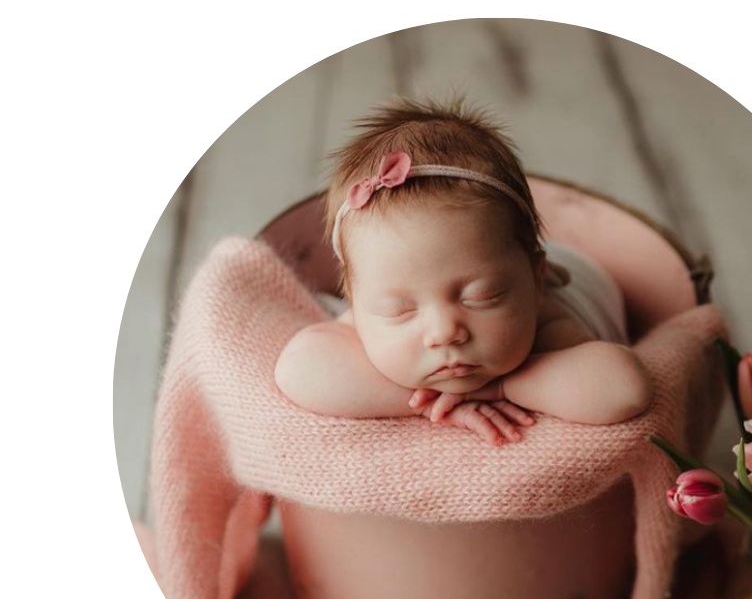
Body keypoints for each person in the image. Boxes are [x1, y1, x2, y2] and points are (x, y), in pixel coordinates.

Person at [274, 94, 652, 446]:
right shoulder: (371, 304)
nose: (444, 333)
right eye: (399, 310)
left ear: (535, 280)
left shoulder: (548, 325)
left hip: (576, 268)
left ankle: (550, 268)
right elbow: (298, 370)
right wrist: (429, 401)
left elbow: (624, 389)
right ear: (353, 301)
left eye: (481, 297)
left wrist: (501, 388)